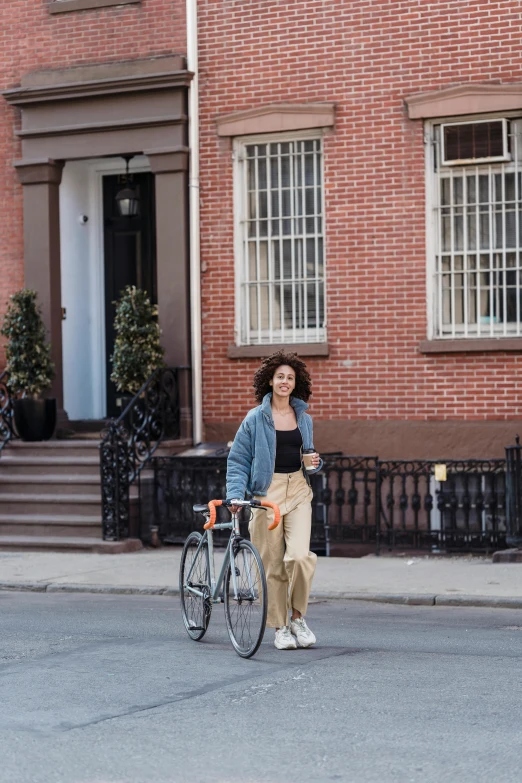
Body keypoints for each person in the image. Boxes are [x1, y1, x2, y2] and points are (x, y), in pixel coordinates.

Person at [226, 350, 323, 650]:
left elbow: (308, 456)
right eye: (280, 376)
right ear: (270, 381)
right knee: (273, 566)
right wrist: (235, 493)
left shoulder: (303, 418)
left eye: (290, 378)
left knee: (300, 557)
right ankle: (280, 627)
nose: (285, 382)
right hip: (267, 494)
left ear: (296, 383)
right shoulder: (256, 418)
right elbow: (239, 459)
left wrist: (315, 463)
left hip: (298, 490)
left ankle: (297, 617)